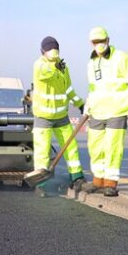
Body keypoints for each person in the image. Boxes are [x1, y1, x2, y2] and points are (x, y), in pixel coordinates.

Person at [82, 27, 128, 197]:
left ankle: (110, 182)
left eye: (102, 41)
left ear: (108, 40)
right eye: (96, 42)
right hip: (97, 111)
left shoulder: (121, 57)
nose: (99, 45)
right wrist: (88, 103)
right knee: (94, 147)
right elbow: (94, 87)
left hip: (117, 111)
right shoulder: (92, 63)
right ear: (91, 43)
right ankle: (98, 180)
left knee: (112, 147)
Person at [28, 37, 86, 196]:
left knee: (70, 147)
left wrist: (80, 104)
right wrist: (55, 65)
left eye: (54, 48)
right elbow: (45, 73)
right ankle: (41, 185)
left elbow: (68, 90)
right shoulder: (39, 65)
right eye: (50, 49)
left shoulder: (63, 67)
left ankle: (77, 177)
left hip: (61, 116)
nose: (53, 51)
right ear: (42, 52)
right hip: (43, 117)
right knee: (42, 151)